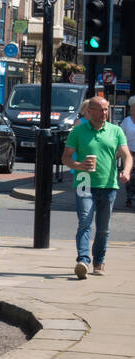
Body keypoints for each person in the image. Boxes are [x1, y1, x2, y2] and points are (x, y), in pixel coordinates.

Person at [63, 94, 132, 278]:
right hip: (84, 182)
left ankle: (99, 262)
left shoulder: (115, 131)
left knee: (103, 227)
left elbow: (127, 155)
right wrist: (79, 166)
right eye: (100, 109)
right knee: (85, 221)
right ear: (89, 111)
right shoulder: (78, 132)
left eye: (106, 109)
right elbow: (66, 157)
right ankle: (83, 261)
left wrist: (126, 171)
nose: (104, 113)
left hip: (109, 184)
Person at [121, 96, 135, 206]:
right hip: (129, 152)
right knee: (129, 176)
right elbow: (121, 136)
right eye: (133, 107)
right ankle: (130, 197)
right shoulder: (126, 121)